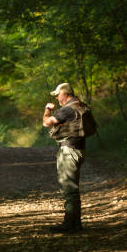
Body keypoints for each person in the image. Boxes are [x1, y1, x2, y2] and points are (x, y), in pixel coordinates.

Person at [42, 82, 86, 233]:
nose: (57, 99)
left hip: (69, 151)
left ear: (65, 93)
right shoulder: (81, 105)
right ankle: (76, 223)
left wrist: (47, 109)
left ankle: (69, 225)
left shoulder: (67, 109)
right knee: (73, 188)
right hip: (79, 149)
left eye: (58, 95)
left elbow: (46, 122)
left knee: (69, 190)